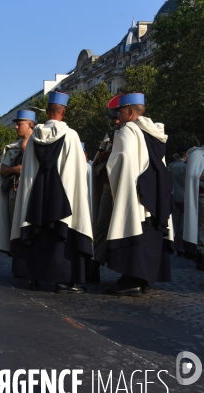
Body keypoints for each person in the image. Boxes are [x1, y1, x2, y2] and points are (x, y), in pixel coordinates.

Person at [9, 92, 93, 293]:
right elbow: (78, 171)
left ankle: (34, 277)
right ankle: (62, 279)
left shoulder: (34, 138)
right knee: (60, 236)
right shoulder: (71, 135)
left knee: (36, 235)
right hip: (61, 198)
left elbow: (28, 170)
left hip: (36, 198)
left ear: (47, 112)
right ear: (63, 112)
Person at [105, 93, 173, 296]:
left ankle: (131, 280)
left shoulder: (128, 131)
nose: (118, 117)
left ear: (130, 112)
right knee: (149, 236)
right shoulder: (155, 133)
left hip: (136, 194)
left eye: (120, 112)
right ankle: (144, 280)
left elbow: (122, 161)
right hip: (156, 195)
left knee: (132, 233)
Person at [89, 95, 123, 282]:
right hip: (109, 187)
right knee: (101, 228)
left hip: (129, 190)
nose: (116, 121)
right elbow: (98, 159)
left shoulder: (137, 132)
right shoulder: (111, 135)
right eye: (113, 118)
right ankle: (94, 266)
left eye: (118, 116)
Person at [0, 110, 35, 254]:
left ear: (30, 125)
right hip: (15, 190)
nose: (16, 127)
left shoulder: (39, 144)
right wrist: (15, 169)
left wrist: (25, 150)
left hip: (31, 193)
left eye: (19, 124)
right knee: (15, 227)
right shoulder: (12, 148)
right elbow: (3, 170)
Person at [183, 145, 204, 270]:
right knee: (202, 226)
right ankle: (201, 254)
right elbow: (195, 175)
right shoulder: (197, 155)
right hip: (202, 195)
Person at [169, 145, 190, 257]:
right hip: (185, 197)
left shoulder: (172, 166)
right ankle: (182, 246)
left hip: (174, 195)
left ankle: (175, 245)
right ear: (186, 154)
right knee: (184, 222)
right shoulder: (186, 167)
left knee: (175, 222)